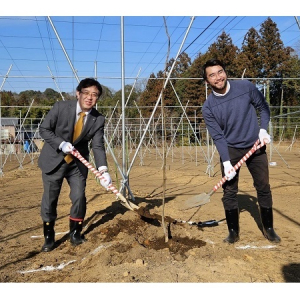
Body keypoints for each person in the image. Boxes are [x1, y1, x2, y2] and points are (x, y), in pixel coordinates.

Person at [202, 59, 281, 244]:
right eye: (212, 75)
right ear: (207, 81)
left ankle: (268, 228)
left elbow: (263, 107)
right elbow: (218, 136)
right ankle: (233, 232)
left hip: (255, 145)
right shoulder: (208, 107)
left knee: (263, 187)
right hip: (230, 149)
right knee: (229, 191)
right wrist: (227, 162)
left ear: (225, 72)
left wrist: (263, 129)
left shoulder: (245, 87)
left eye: (220, 72)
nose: (218, 77)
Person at [38, 78, 112, 252]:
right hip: (54, 160)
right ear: (78, 93)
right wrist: (60, 143)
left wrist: (103, 170)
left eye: (94, 95)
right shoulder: (61, 107)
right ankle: (49, 236)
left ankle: (75, 233)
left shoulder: (98, 119)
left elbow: (97, 145)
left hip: (77, 163)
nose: (90, 98)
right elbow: (44, 129)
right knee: (50, 199)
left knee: (79, 196)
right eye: (86, 93)